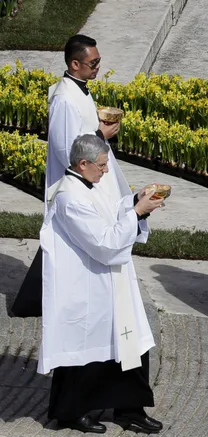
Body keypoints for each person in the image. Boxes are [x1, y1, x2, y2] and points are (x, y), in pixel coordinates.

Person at [39, 134, 167, 434]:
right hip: (87, 287)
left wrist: (135, 201)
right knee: (85, 353)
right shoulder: (70, 196)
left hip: (111, 282)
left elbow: (109, 213)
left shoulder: (87, 185)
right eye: (101, 165)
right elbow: (104, 243)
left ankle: (129, 409)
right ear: (82, 164)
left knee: (131, 343)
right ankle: (71, 412)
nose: (106, 170)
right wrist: (137, 213)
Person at [15, 34, 139, 317]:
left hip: (90, 172)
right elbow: (64, 147)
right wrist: (99, 134)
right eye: (92, 63)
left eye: (98, 62)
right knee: (69, 237)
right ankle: (34, 300)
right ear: (74, 64)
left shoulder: (80, 89)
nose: (97, 67)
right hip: (75, 178)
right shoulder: (64, 99)